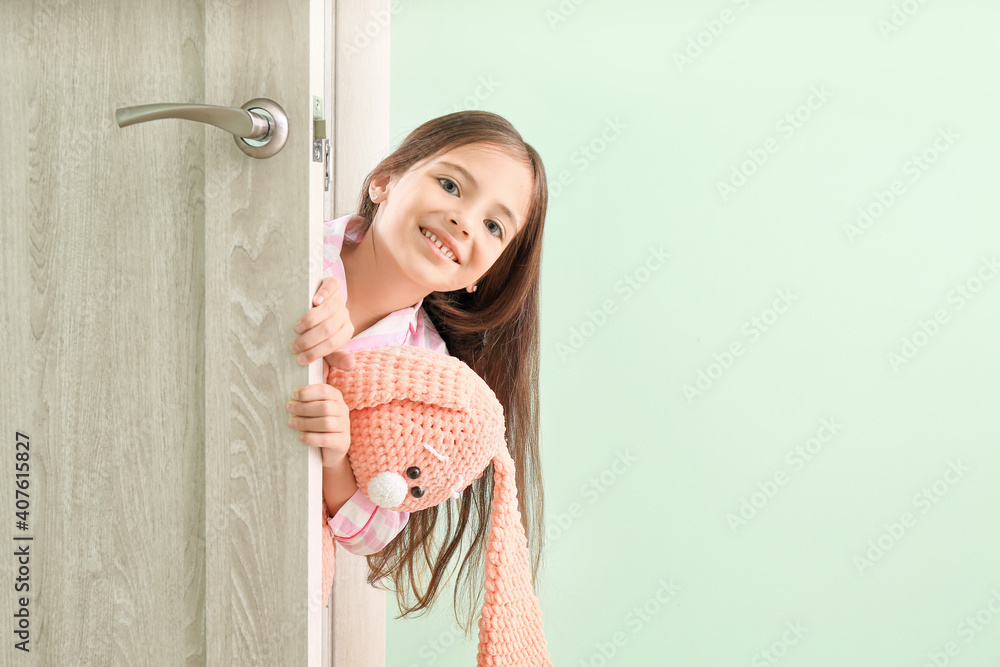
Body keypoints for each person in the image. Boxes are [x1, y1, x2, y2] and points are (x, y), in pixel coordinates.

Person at [283, 110, 548, 633]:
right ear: (385, 180)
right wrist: (302, 286)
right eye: (450, 185)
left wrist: (335, 456)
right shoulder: (296, 243)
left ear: (486, 272)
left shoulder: (428, 377)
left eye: (493, 226)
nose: (464, 220)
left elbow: (370, 531)